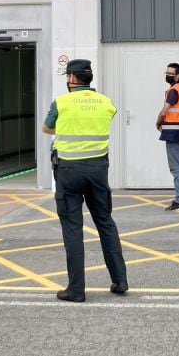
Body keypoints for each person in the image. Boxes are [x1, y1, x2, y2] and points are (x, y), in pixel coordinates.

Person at [41, 58, 128, 303]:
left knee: (73, 228)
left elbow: (47, 129)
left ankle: (76, 289)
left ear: (71, 78)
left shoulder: (62, 102)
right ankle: (120, 280)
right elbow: (108, 117)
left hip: (69, 171)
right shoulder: (106, 102)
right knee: (105, 222)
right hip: (98, 169)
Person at [157, 62, 179, 211]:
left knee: (175, 166)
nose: (168, 76)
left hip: (172, 131)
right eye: (167, 73)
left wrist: (158, 122)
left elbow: (165, 111)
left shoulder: (173, 91)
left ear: (178, 75)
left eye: (171, 74)